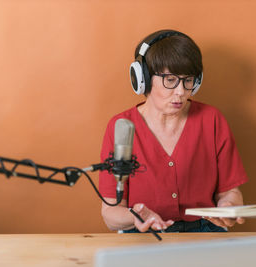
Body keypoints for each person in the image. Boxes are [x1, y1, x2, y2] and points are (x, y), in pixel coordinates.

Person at [99, 29, 248, 233]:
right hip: (143, 237)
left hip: (204, 232)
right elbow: (110, 214)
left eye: (188, 80)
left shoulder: (212, 120)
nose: (181, 91)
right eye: (170, 80)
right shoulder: (122, 126)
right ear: (143, 78)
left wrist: (229, 207)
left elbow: (230, 192)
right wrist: (137, 217)